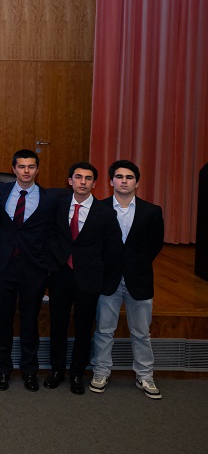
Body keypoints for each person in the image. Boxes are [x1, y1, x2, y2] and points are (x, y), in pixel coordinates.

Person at [43, 162, 121, 395]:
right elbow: (49, 235)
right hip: (60, 274)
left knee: (84, 327)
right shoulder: (57, 205)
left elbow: (112, 249)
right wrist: (56, 261)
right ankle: (56, 370)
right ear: (70, 181)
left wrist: (104, 278)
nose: (83, 182)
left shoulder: (106, 213)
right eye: (78, 177)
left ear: (94, 184)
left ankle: (77, 373)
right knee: (58, 324)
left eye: (88, 178)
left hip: (89, 277)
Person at [90, 160, 165, 399]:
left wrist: (135, 264)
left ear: (137, 182)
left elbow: (155, 245)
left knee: (141, 332)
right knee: (104, 330)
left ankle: (145, 375)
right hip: (108, 279)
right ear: (111, 181)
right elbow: (95, 244)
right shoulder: (98, 208)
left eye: (129, 177)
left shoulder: (152, 211)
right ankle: (101, 371)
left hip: (139, 279)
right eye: (119, 176)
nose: (124, 181)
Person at [0, 149, 60, 392]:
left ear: (37, 170)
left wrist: (47, 264)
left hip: (34, 269)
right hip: (4, 266)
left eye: (31, 167)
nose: (26, 171)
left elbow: (53, 234)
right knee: (3, 321)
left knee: (30, 321)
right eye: (21, 166)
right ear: (13, 169)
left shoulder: (50, 198)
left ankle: (30, 371)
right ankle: (3, 370)